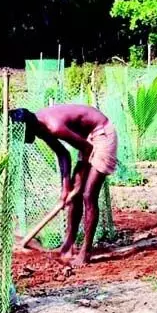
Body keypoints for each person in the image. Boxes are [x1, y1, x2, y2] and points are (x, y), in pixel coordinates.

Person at [9, 104, 117, 266]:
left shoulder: (54, 126)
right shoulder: (40, 126)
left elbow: (88, 149)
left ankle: (85, 252)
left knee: (88, 195)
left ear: (28, 128)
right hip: (86, 138)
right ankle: (68, 245)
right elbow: (63, 154)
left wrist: (79, 186)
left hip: (101, 134)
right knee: (74, 197)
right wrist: (66, 188)